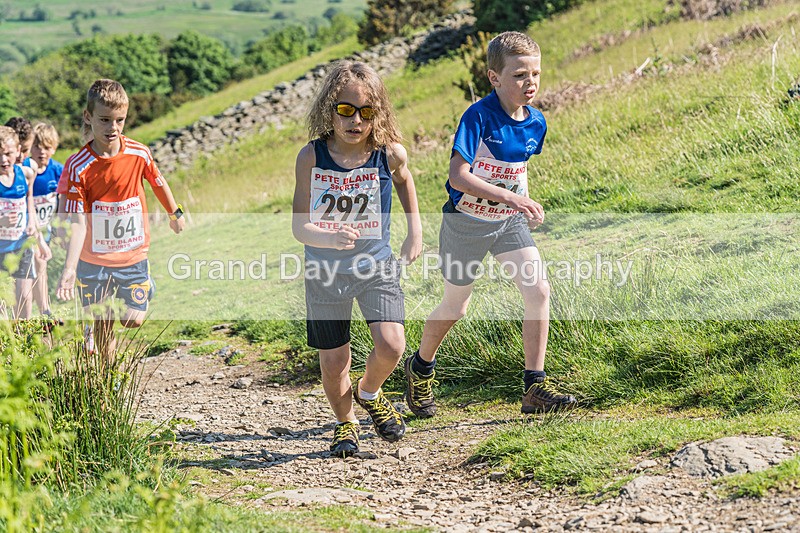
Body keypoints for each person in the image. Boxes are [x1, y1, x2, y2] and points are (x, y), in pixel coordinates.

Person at [405, 31, 577, 418]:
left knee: (538, 290)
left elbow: (517, 168)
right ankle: (420, 367)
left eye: (535, 73)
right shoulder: (478, 116)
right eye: (518, 75)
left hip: (507, 223)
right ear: (494, 78)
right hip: (465, 225)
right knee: (457, 307)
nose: (529, 82)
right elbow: (458, 177)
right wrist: (511, 197)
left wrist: (524, 204)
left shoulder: (536, 123)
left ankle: (534, 388)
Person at [292, 60, 422, 457]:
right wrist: (327, 236)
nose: (355, 120)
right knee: (334, 362)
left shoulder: (389, 154)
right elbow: (299, 226)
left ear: (377, 114)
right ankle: (345, 424)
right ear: (329, 109)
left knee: (392, 343)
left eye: (366, 112)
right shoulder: (311, 157)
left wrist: (415, 229)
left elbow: (405, 180)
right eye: (345, 110)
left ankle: (369, 392)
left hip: (375, 264)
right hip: (325, 270)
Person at [56, 79, 185, 363]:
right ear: (88, 117)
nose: (112, 128)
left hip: (133, 255)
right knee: (103, 320)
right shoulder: (80, 166)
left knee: (131, 320)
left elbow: (157, 182)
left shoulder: (138, 153)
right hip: (94, 259)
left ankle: (146, 284)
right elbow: (77, 222)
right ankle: (107, 375)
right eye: (104, 120)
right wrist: (69, 268)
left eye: (119, 120)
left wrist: (174, 213)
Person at [0, 125, 50, 319]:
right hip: (1, 249)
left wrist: (39, 238)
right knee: (3, 302)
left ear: (18, 151)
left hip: (21, 245)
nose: (3, 159)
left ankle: (25, 338)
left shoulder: (26, 174)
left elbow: (30, 202)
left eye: (8, 153)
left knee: (24, 297)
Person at [24, 123, 63, 324]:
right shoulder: (27, 171)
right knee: (35, 267)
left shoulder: (57, 171)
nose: (42, 152)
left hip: (46, 229)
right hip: (27, 230)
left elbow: (64, 199)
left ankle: (44, 312)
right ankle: (42, 313)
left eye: (47, 147)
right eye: (37, 146)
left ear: (54, 148)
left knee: (41, 269)